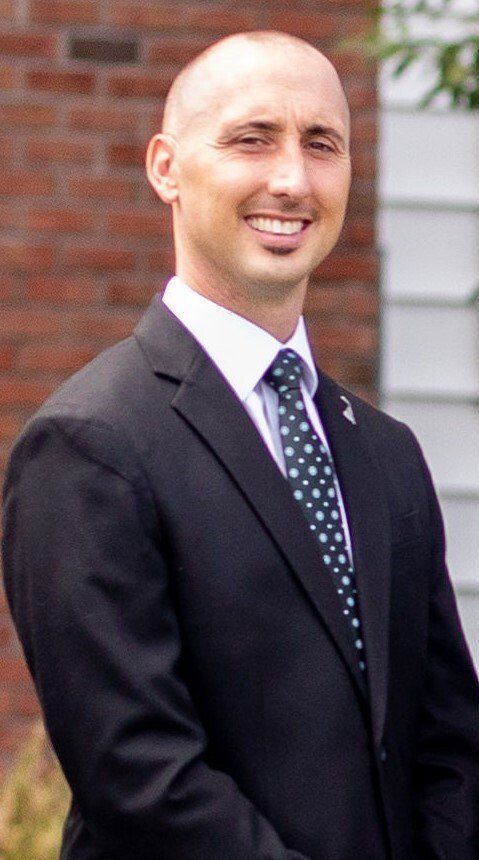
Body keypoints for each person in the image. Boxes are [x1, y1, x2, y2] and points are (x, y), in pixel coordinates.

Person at [2, 30, 478, 860]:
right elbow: (139, 774)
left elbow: (448, 744)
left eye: (321, 144)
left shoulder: (388, 453)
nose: (291, 179)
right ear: (166, 169)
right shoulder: (90, 446)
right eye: (250, 139)